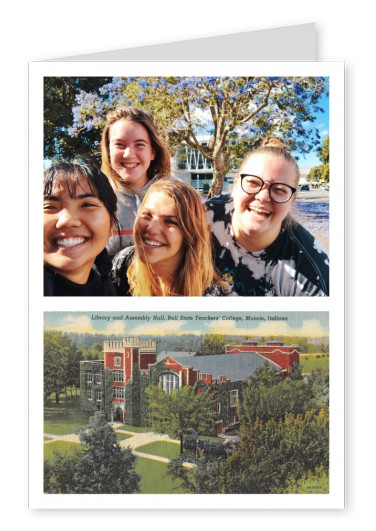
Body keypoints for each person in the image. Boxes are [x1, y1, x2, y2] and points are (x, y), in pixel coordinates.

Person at [206, 137, 329, 296]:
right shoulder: (202, 217)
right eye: (253, 183)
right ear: (235, 186)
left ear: (292, 201)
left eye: (279, 189)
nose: (263, 197)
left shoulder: (311, 274)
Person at [111, 180, 223, 296]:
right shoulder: (122, 264)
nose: (151, 229)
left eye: (170, 222)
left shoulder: (208, 293)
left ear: (190, 234)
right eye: (147, 215)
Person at [101, 106, 171, 257]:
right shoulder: (96, 200)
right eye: (119, 144)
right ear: (108, 151)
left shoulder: (176, 197)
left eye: (139, 144)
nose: (129, 154)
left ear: (152, 152)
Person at [43, 158, 118, 296]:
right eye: (49, 207)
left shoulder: (106, 292)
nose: (67, 221)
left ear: (112, 223)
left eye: (87, 205)